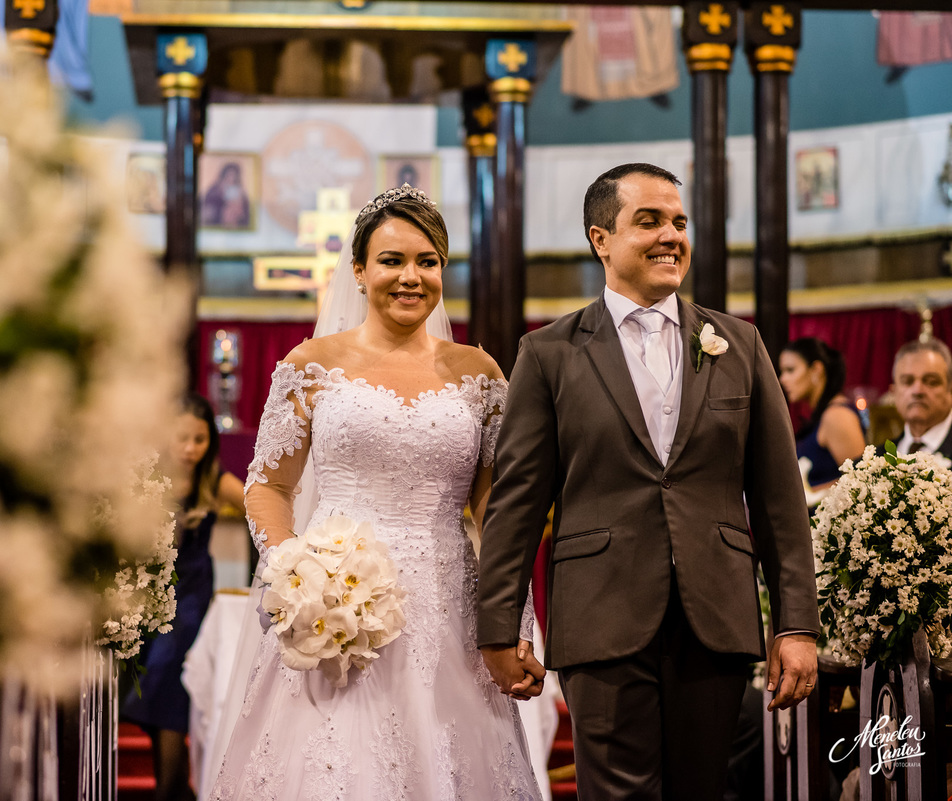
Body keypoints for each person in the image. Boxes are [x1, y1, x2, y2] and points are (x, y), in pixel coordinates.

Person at [475, 163, 820, 801]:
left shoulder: (738, 344)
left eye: (679, 222)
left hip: (714, 617)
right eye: (650, 221)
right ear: (600, 238)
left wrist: (796, 623)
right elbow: (517, 503)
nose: (671, 235)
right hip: (600, 616)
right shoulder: (549, 354)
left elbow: (778, 501)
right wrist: (500, 628)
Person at [208, 186, 544, 800]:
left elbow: (498, 509)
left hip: (450, 604)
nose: (410, 276)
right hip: (333, 605)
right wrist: (293, 571)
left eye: (428, 261)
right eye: (391, 261)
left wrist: (514, 620)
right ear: (359, 271)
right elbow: (268, 485)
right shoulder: (311, 364)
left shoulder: (479, 372)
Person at [122, 393, 245, 801]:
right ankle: (175, 787)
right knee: (157, 682)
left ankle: (169, 788)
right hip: (152, 596)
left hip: (191, 596)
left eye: (200, 439)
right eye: (182, 439)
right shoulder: (149, 478)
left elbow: (260, 507)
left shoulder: (214, 480)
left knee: (167, 676)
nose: (191, 448)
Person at [778, 337, 866, 495]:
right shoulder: (823, 414)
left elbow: (860, 480)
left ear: (816, 369)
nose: (782, 379)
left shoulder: (837, 415)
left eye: (790, 370)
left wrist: (808, 494)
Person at [891, 338, 952, 458]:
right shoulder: (873, 464)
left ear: (950, 390)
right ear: (893, 391)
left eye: (931, 382)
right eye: (907, 382)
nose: (917, 391)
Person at [201, 162, 251, 229]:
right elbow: (207, 206)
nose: (231, 179)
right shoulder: (215, 189)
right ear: (223, 175)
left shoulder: (240, 191)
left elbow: (245, 213)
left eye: (234, 176)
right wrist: (219, 194)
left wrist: (238, 201)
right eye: (229, 175)